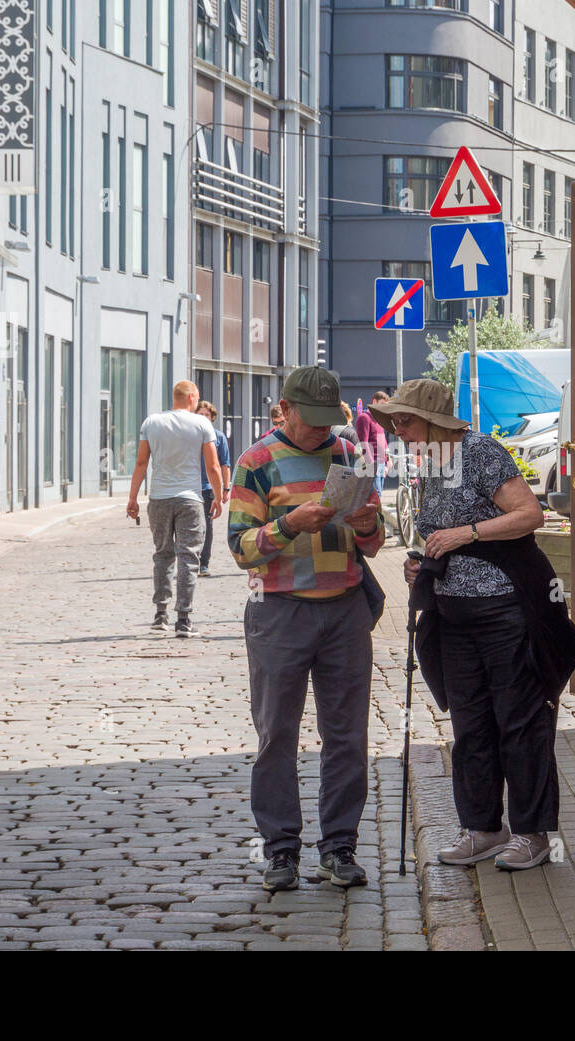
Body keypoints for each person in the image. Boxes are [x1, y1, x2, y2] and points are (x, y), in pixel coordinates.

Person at [372, 378, 575, 872]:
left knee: (520, 722)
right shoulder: (432, 465)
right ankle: (484, 828)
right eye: (394, 423)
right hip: (453, 616)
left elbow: (529, 514)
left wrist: (465, 534)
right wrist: (421, 564)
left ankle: (532, 833)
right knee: (470, 727)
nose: (397, 430)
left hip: (506, 612)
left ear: (434, 420)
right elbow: (438, 538)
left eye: (404, 420)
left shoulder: (481, 452)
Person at [228, 366, 385, 892]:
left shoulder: (348, 456)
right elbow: (239, 547)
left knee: (347, 736)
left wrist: (366, 525)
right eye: (311, 421)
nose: (322, 431)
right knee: (277, 734)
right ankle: (280, 851)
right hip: (279, 611)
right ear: (286, 410)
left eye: (328, 421)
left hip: (343, 610)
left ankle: (339, 847)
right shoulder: (257, 462)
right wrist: (289, 524)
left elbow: (375, 541)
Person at [127, 380, 223, 637]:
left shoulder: (152, 423)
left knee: (162, 554)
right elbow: (212, 466)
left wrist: (133, 498)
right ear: (192, 396)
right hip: (190, 499)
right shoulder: (202, 424)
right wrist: (218, 496)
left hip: (159, 498)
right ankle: (184, 619)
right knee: (189, 557)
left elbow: (140, 463)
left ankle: (160, 614)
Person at [195, 400, 232, 577]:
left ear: (212, 417)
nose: (203, 417)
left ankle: (204, 563)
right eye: (200, 414)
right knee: (188, 527)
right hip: (190, 487)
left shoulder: (218, 437)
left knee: (207, 527)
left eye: (206, 415)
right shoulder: (190, 436)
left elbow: (225, 464)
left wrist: (225, 489)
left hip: (208, 488)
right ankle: (189, 561)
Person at [354, 390, 391, 495]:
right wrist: (370, 466)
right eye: (382, 404)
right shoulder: (364, 418)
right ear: (374, 402)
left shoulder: (379, 419)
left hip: (381, 464)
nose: (384, 407)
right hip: (372, 464)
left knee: (378, 495)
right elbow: (363, 443)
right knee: (375, 496)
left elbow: (383, 442)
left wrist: (388, 462)